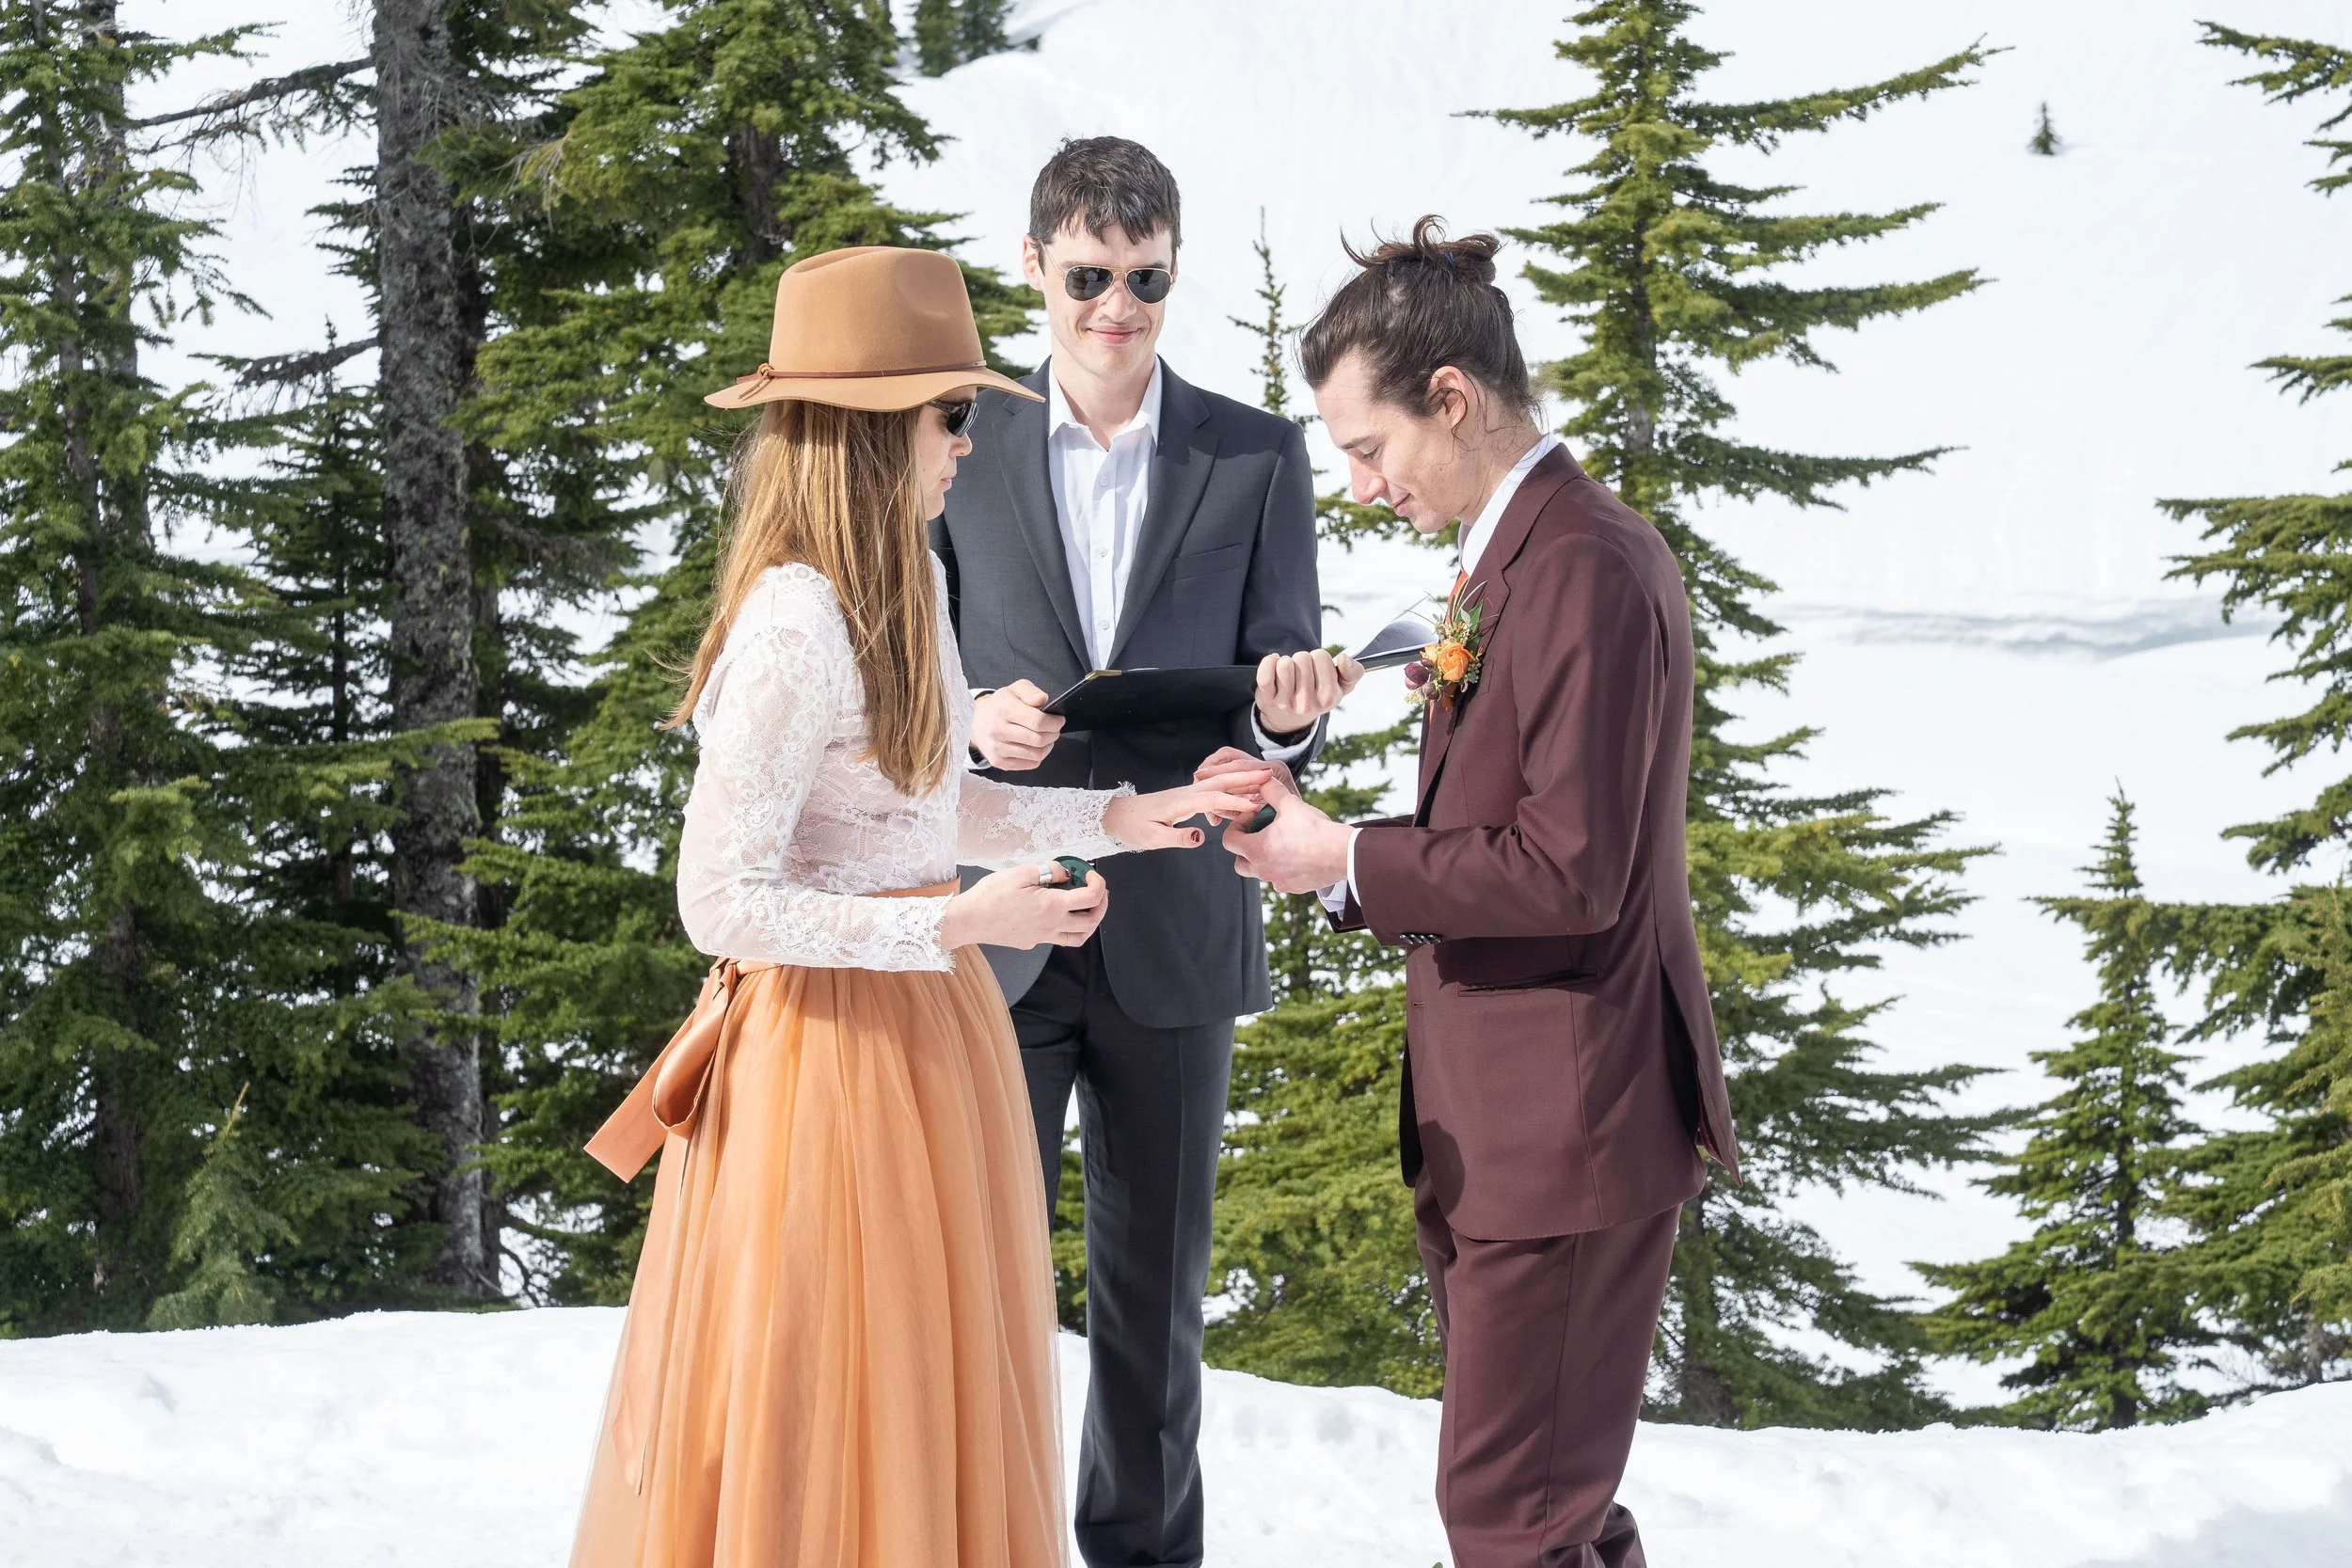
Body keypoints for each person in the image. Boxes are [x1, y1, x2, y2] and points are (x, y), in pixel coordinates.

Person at [567, 245, 1267, 1568]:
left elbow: (930, 810)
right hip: (823, 1070)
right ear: (869, 427)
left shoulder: (908, 581)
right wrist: (953, 923)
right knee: (836, 1404)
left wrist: (1134, 819)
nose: (971, 436)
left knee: (930, 1396)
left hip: (925, 1044)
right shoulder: (790, 623)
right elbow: (719, 898)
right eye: (953, 412)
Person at [1208, 218, 1740, 1568]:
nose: (1365, 484)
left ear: (1452, 399)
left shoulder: (1581, 568)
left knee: (1510, 1518)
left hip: (1565, 1125)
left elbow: (1570, 867)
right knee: (1546, 1511)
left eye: (1372, 449)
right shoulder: (1517, 560)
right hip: (1508, 1127)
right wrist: (1328, 862)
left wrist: (1350, 859)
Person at [930, 137, 1356, 1568]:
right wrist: (965, 712)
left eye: (1150, 279)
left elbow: (1277, 702)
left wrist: (1285, 732)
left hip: (1174, 922)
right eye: (1093, 277)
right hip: (1000, 913)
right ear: (1036, 263)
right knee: (973, 1283)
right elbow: (904, 667)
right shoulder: (961, 438)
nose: (1120, 307)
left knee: (1155, 1308)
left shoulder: (1253, 453)